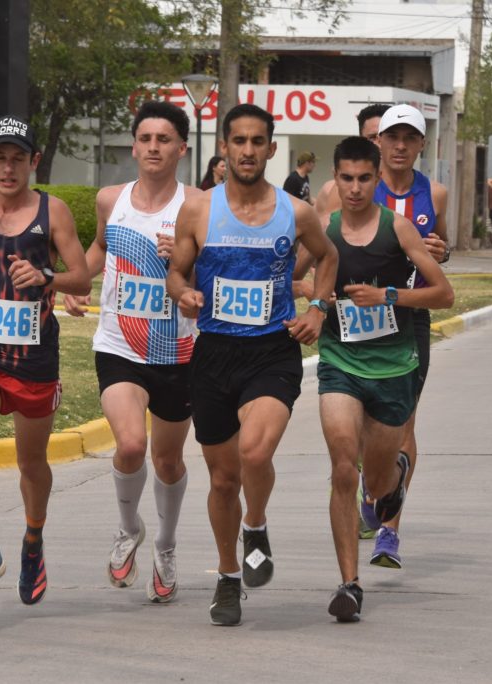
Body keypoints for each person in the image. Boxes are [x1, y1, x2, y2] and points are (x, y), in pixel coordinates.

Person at [167, 103, 338, 626]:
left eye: (256, 141)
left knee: (255, 450)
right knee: (222, 481)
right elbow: (176, 272)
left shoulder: (296, 211)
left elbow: (327, 257)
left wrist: (318, 308)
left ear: (270, 147)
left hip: (271, 351)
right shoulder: (198, 209)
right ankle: (226, 577)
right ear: (224, 147)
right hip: (214, 352)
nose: (246, 150)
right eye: (237, 141)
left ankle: (256, 524)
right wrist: (184, 295)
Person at [0, 114, 90, 605]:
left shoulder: (55, 213)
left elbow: (83, 278)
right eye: (0, 158)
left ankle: (32, 540)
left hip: (34, 359)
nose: (9, 168)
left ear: (33, 162)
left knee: (31, 462)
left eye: (18, 159)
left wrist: (47, 276)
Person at [63, 100, 202, 603]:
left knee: (168, 460)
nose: (152, 148)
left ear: (181, 148)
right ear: (134, 144)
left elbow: (210, 271)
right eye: (145, 139)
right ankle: (129, 530)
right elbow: (99, 248)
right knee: (128, 446)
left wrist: (183, 260)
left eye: (163, 140)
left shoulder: (198, 206)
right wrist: (78, 282)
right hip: (119, 343)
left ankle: (165, 545)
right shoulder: (110, 199)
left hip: (177, 349)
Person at [316, 136, 454, 622]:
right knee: (341, 465)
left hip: (394, 365)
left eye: (364, 178)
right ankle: (349, 585)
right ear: (334, 180)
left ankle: (393, 472)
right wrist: (319, 296)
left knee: (375, 482)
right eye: (346, 178)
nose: (354, 188)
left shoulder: (398, 230)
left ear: (377, 179)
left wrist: (389, 296)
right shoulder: (323, 229)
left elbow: (443, 293)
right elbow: (291, 277)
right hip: (340, 361)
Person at [313, 103, 388, 212]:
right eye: (372, 138)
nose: (379, 143)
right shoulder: (330, 190)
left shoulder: (417, 188)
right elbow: (322, 227)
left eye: (385, 137)